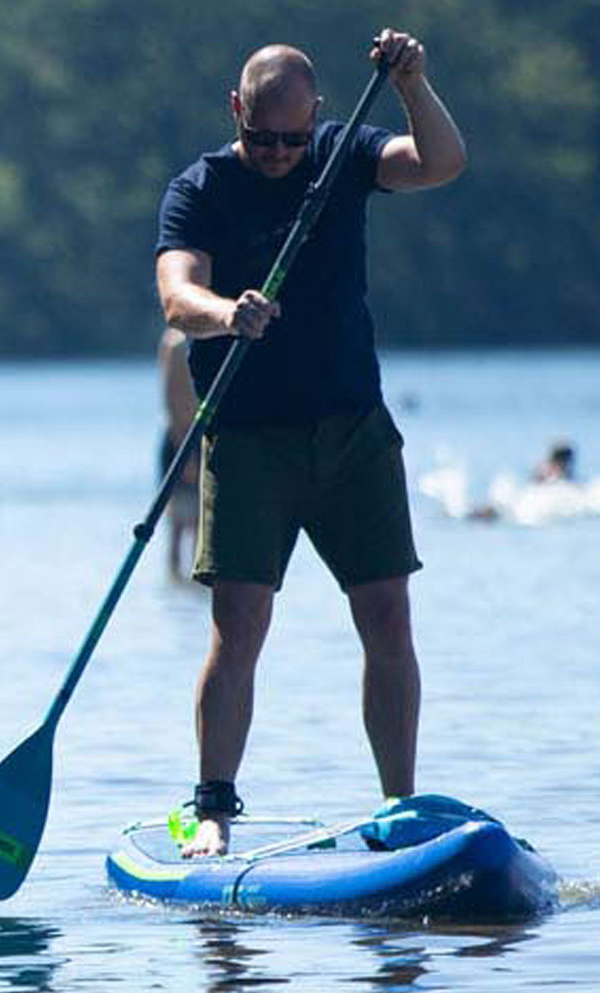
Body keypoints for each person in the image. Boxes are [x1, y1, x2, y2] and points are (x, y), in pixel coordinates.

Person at [155, 29, 466, 855]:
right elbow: (176, 295)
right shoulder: (201, 188)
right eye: (264, 138)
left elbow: (440, 163)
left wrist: (412, 85)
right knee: (240, 624)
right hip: (250, 439)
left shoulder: (342, 153)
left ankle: (398, 804)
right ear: (236, 112)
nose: (282, 153)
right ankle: (212, 806)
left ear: (316, 118)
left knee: (388, 616)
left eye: (295, 138)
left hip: (353, 431)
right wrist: (228, 313)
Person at [158, 327, 201, 579]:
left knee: (201, 524)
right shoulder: (176, 342)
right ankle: (175, 577)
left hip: (199, 435)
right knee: (178, 523)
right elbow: (170, 399)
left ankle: (194, 587)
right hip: (180, 440)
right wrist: (185, 454)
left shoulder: (207, 336)